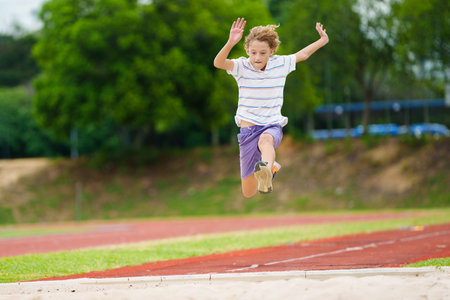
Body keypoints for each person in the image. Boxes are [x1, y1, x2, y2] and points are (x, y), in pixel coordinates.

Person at [214, 18, 329, 198]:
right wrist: (230, 42)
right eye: (253, 53)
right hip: (247, 131)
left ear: (272, 51)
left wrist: (322, 40)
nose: (257, 57)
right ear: (247, 51)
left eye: (262, 52)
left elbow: (303, 54)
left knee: (266, 141)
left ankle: (267, 170)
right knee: (249, 192)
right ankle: (271, 169)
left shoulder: (280, 64)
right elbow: (219, 63)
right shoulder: (241, 66)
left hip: (271, 125)